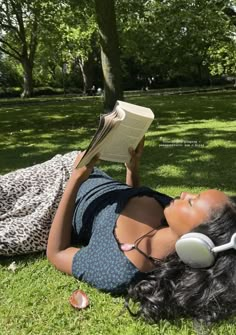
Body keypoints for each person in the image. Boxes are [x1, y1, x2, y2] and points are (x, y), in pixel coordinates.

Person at [1, 140, 236, 324]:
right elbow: (129, 199)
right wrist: (132, 169)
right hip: (68, 171)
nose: (185, 194)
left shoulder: (119, 268)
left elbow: (57, 252)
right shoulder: (167, 211)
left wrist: (74, 181)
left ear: (196, 243)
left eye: (193, 203)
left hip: (54, 208)